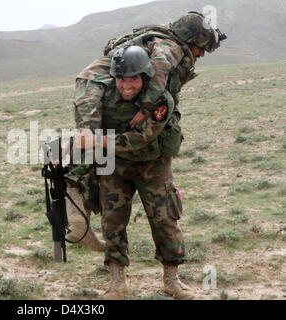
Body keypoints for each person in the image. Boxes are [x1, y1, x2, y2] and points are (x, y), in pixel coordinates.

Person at [65, 11, 226, 300]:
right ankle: (117, 283)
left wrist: (145, 109)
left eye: (133, 81)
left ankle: (172, 280)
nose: (126, 86)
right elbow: (86, 93)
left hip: (152, 161)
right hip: (114, 164)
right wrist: (82, 137)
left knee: (165, 218)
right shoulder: (161, 53)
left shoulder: (160, 98)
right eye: (121, 80)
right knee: (113, 221)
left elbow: (141, 137)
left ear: (145, 76)